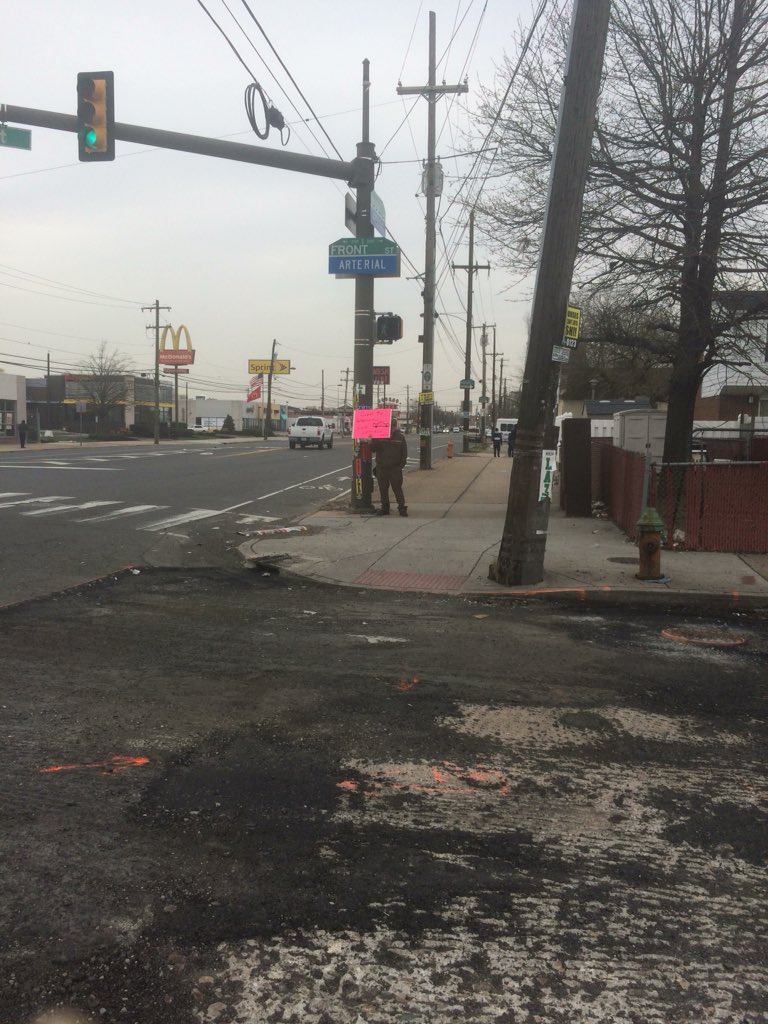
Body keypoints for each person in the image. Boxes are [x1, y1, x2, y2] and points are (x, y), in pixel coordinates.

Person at [370, 416, 409, 516]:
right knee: (383, 490)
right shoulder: (380, 436)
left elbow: (404, 454)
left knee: (397, 489)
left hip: (395, 469)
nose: (391, 428)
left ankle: (402, 508)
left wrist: (400, 467)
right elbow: (373, 449)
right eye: (389, 426)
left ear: (395, 426)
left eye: (393, 426)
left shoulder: (400, 438)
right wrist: (372, 440)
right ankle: (385, 508)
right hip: (382, 468)